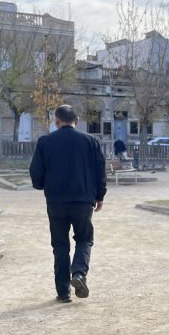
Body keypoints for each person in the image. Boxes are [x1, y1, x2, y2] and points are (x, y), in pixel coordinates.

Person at [29, 104, 107, 303]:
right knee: (84, 239)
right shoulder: (91, 141)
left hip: (56, 201)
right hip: (83, 200)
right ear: (77, 121)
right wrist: (100, 196)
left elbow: (36, 173)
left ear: (56, 121)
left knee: (60, 245)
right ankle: (79, 273)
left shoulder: (45, 142)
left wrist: (43, 185)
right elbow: (100, 171)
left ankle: (63, 293)